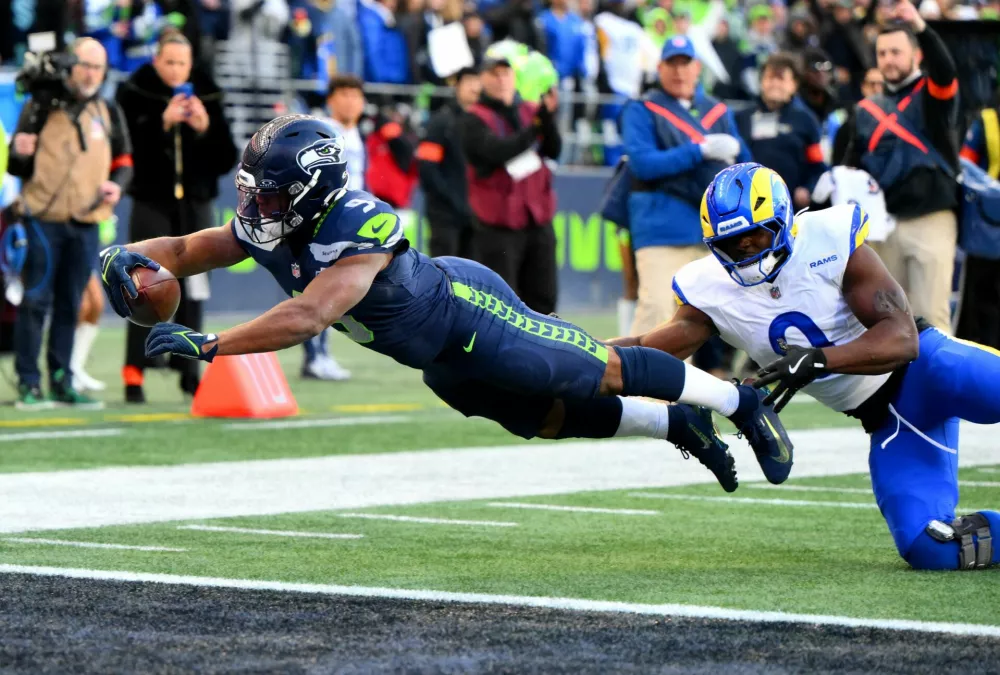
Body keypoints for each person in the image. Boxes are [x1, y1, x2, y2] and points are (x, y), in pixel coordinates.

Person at [98, 114, 794, 494]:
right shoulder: (268, 225)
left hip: (468, 311)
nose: (255, 207)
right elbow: (186, 249)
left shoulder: (358, 227)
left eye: (269, 194)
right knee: (542, 418)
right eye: (254, 191)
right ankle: (676, 427)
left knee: (597, 368)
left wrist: (213, 345)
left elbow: (309, 314)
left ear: (313, 190)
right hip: (434, 358)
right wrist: (129, 253)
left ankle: (741, 403)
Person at [611, 161, 1000, 571]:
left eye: (754, 234)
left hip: (932, 369)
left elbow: (902, 338)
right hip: (889, 420)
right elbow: (644, 348)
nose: (746, 248)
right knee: (927, 549)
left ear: (783, 221)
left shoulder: (827, 239)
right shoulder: (709, 290)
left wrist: (818, 360)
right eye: (732, 242)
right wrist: (578, 352)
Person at [7, 37, 132, 409]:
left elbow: (124, 160)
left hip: (87, 220)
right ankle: (30, 382)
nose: (92, 74)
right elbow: (17, 166)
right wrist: (19, 151)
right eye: (86, 65)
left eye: (98, 67)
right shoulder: (40, 106)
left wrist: (117, 186)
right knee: (35, 300)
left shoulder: (107, 109)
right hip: (43, 218)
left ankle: (62, 379)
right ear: (70, 67)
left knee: (71, 303)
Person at [115, 31, 238, 403]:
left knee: (194, 292)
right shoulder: (135, 92)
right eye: (168, 62)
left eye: (181, 63)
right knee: (141, 287)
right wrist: (162, 124)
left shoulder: (209, 94)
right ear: (156, 61)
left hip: (196, 205)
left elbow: (226, 159)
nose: (175, 70)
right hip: (152, 201)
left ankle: (190, 373)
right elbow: (127, 150)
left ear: (190, 64)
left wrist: (204, 128)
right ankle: (134, 373)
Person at [619, 34, 751, 339]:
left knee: (715, 319)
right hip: (661, 228)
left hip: (713, 233)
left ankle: (689, 384)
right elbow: (642, 163)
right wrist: (699, 150)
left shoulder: (717, 110)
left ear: (697, 68)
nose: (679, 71)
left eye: (685, 63)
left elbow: (745, 165)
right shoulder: (641, 108)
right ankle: (640, 385)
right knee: (659, 311)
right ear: (660, 67)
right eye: (672, 63)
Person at [843, 3, 960, 333]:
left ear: (916, 56)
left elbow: (946, 72)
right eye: (882, 53)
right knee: (884, 322)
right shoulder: (866, 109)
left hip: (930, 221)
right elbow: (852, 165)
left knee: (931, 321)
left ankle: (938, 387)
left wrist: (921, 27)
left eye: (896, 51)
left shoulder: (933, 95)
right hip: (883, 226)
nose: (888, 60)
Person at [460, 55, 562, 316]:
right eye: (494, 74)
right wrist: (535, 127)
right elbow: (496, 151)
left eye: (506, 73)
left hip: (537, 220)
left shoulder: (529, 111)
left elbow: (553, 149)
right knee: (503, 305)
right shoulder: (473, 119)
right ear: (482, 79)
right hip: (498, 226)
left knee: (544, 298)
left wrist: (547, 119)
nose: (502, 79)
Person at [735, 52, 827, 210]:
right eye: (770, 77)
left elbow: (818, 166)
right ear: (761, 81)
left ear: (794, 85)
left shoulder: (806, 120)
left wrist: (808, 189)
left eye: (781, 78)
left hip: (791, 207)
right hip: (746, 207)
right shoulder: (741, 118)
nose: (775, 84)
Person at [417, 66, 481, 259]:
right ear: (457, 86)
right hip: (445, 215)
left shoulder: (483, 123)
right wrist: (452, 200)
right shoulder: (441, 122)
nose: (474, 87)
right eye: (468, 81)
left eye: (477, 81)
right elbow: (427, 168)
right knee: (444, 270)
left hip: (475, 216)